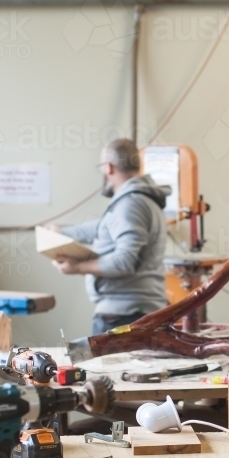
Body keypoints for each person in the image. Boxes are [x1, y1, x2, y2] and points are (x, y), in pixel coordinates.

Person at [50, 138, 171, 336]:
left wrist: (78, 268)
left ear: (109, 168)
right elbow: (102, 228)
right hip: (134, 312)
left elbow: (124, 261)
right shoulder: (140, 200)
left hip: (125, 316)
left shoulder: (130, 204)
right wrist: (61, 232)